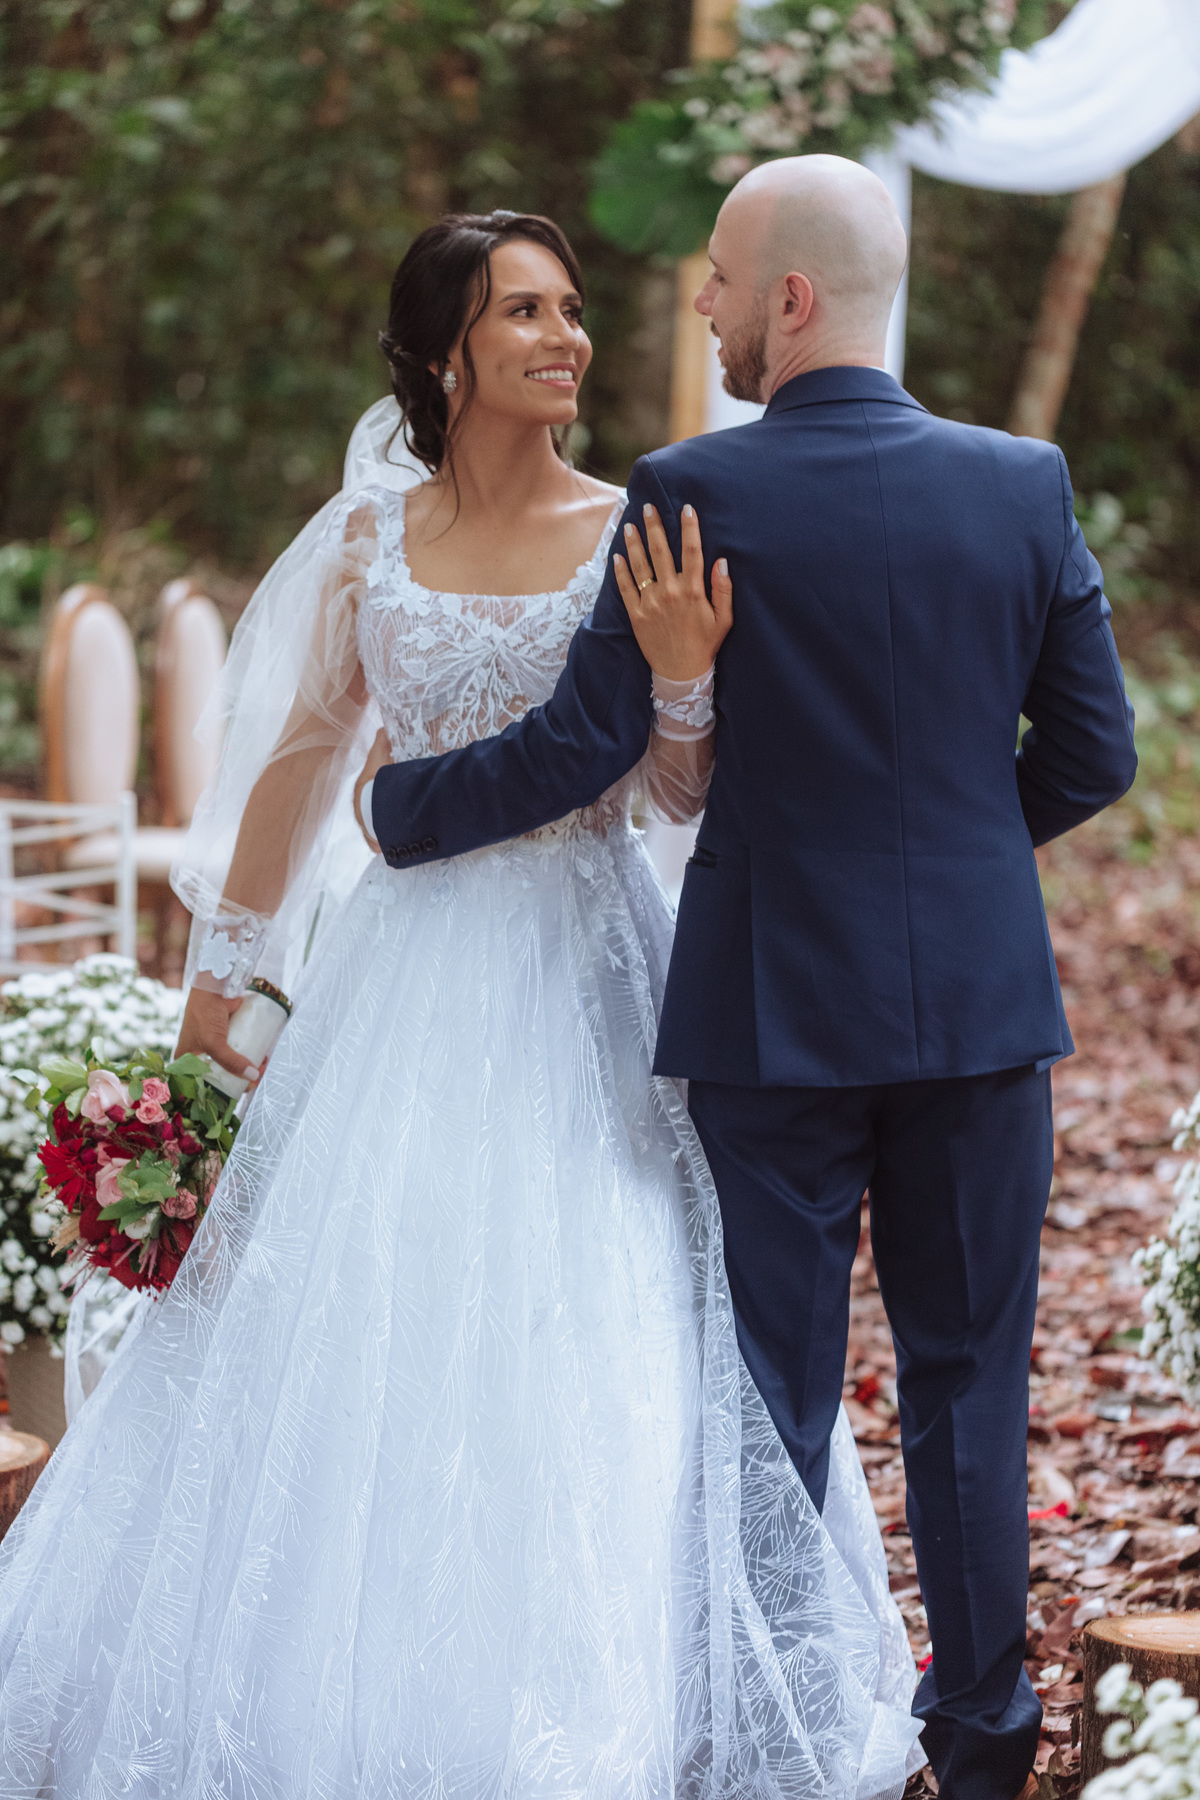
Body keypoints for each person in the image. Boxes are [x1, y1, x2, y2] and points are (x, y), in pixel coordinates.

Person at [0, 210, 922, 1799]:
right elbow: (297, 773)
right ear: (446, 354)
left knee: (610, 1306)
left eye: (570, 309)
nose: (567, 339)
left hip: (591, 964)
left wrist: (685, 675)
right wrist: (217, 997)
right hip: (402, 978)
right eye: (524, 313)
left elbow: (677, 790)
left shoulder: (638, 524)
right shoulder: (370, 540)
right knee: (355, 1312)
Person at [362, 160, 1139, 1800]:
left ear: (788, 299)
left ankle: (774, 1740)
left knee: (767, 1393)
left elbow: (588, 741)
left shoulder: (690, 488)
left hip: (773, 1011)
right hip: (977, 1012)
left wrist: (401, 806)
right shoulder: (1023, 484)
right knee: (970, 1383)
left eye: (718, 277)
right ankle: (985, 1738)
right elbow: (1093, 751)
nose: (701, 304)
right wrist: (946, 860)